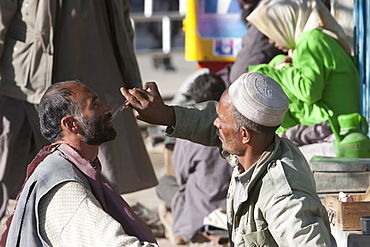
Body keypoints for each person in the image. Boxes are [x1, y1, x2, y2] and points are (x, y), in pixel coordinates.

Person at [120, 72, 337, 246]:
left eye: (221, 120)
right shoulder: (254, 147)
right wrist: (166, 114)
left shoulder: (283, 197)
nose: (215, 124)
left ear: (244, 134)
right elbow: (207, 120)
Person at [0, 0, 157, 219]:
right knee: (13, 172)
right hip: (31, 79)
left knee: (98, 169)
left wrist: (130, 78)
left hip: (99, 64)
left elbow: (122, 23)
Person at [0, 81, 158, 246]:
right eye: (94, 105)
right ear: (71, 124)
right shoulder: (63, 185)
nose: (108, 109)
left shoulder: (69, 165)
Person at [246, 0, 360, 150]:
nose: (271, 41)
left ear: (284, 23)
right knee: (273, 64)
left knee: (262, 75)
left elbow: (309, 92)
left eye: (271, 32)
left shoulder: (310, 41)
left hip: (331, 124)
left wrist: (283, 69)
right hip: (337, 120)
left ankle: (276, 135)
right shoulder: (313, 40)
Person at [155, 73, 232, 244]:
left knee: (164, 183)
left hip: (200, 211)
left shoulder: (189, 129)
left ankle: (178, 230)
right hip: (230, 202)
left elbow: (181, 175)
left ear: (196, 102)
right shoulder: (235, 123)